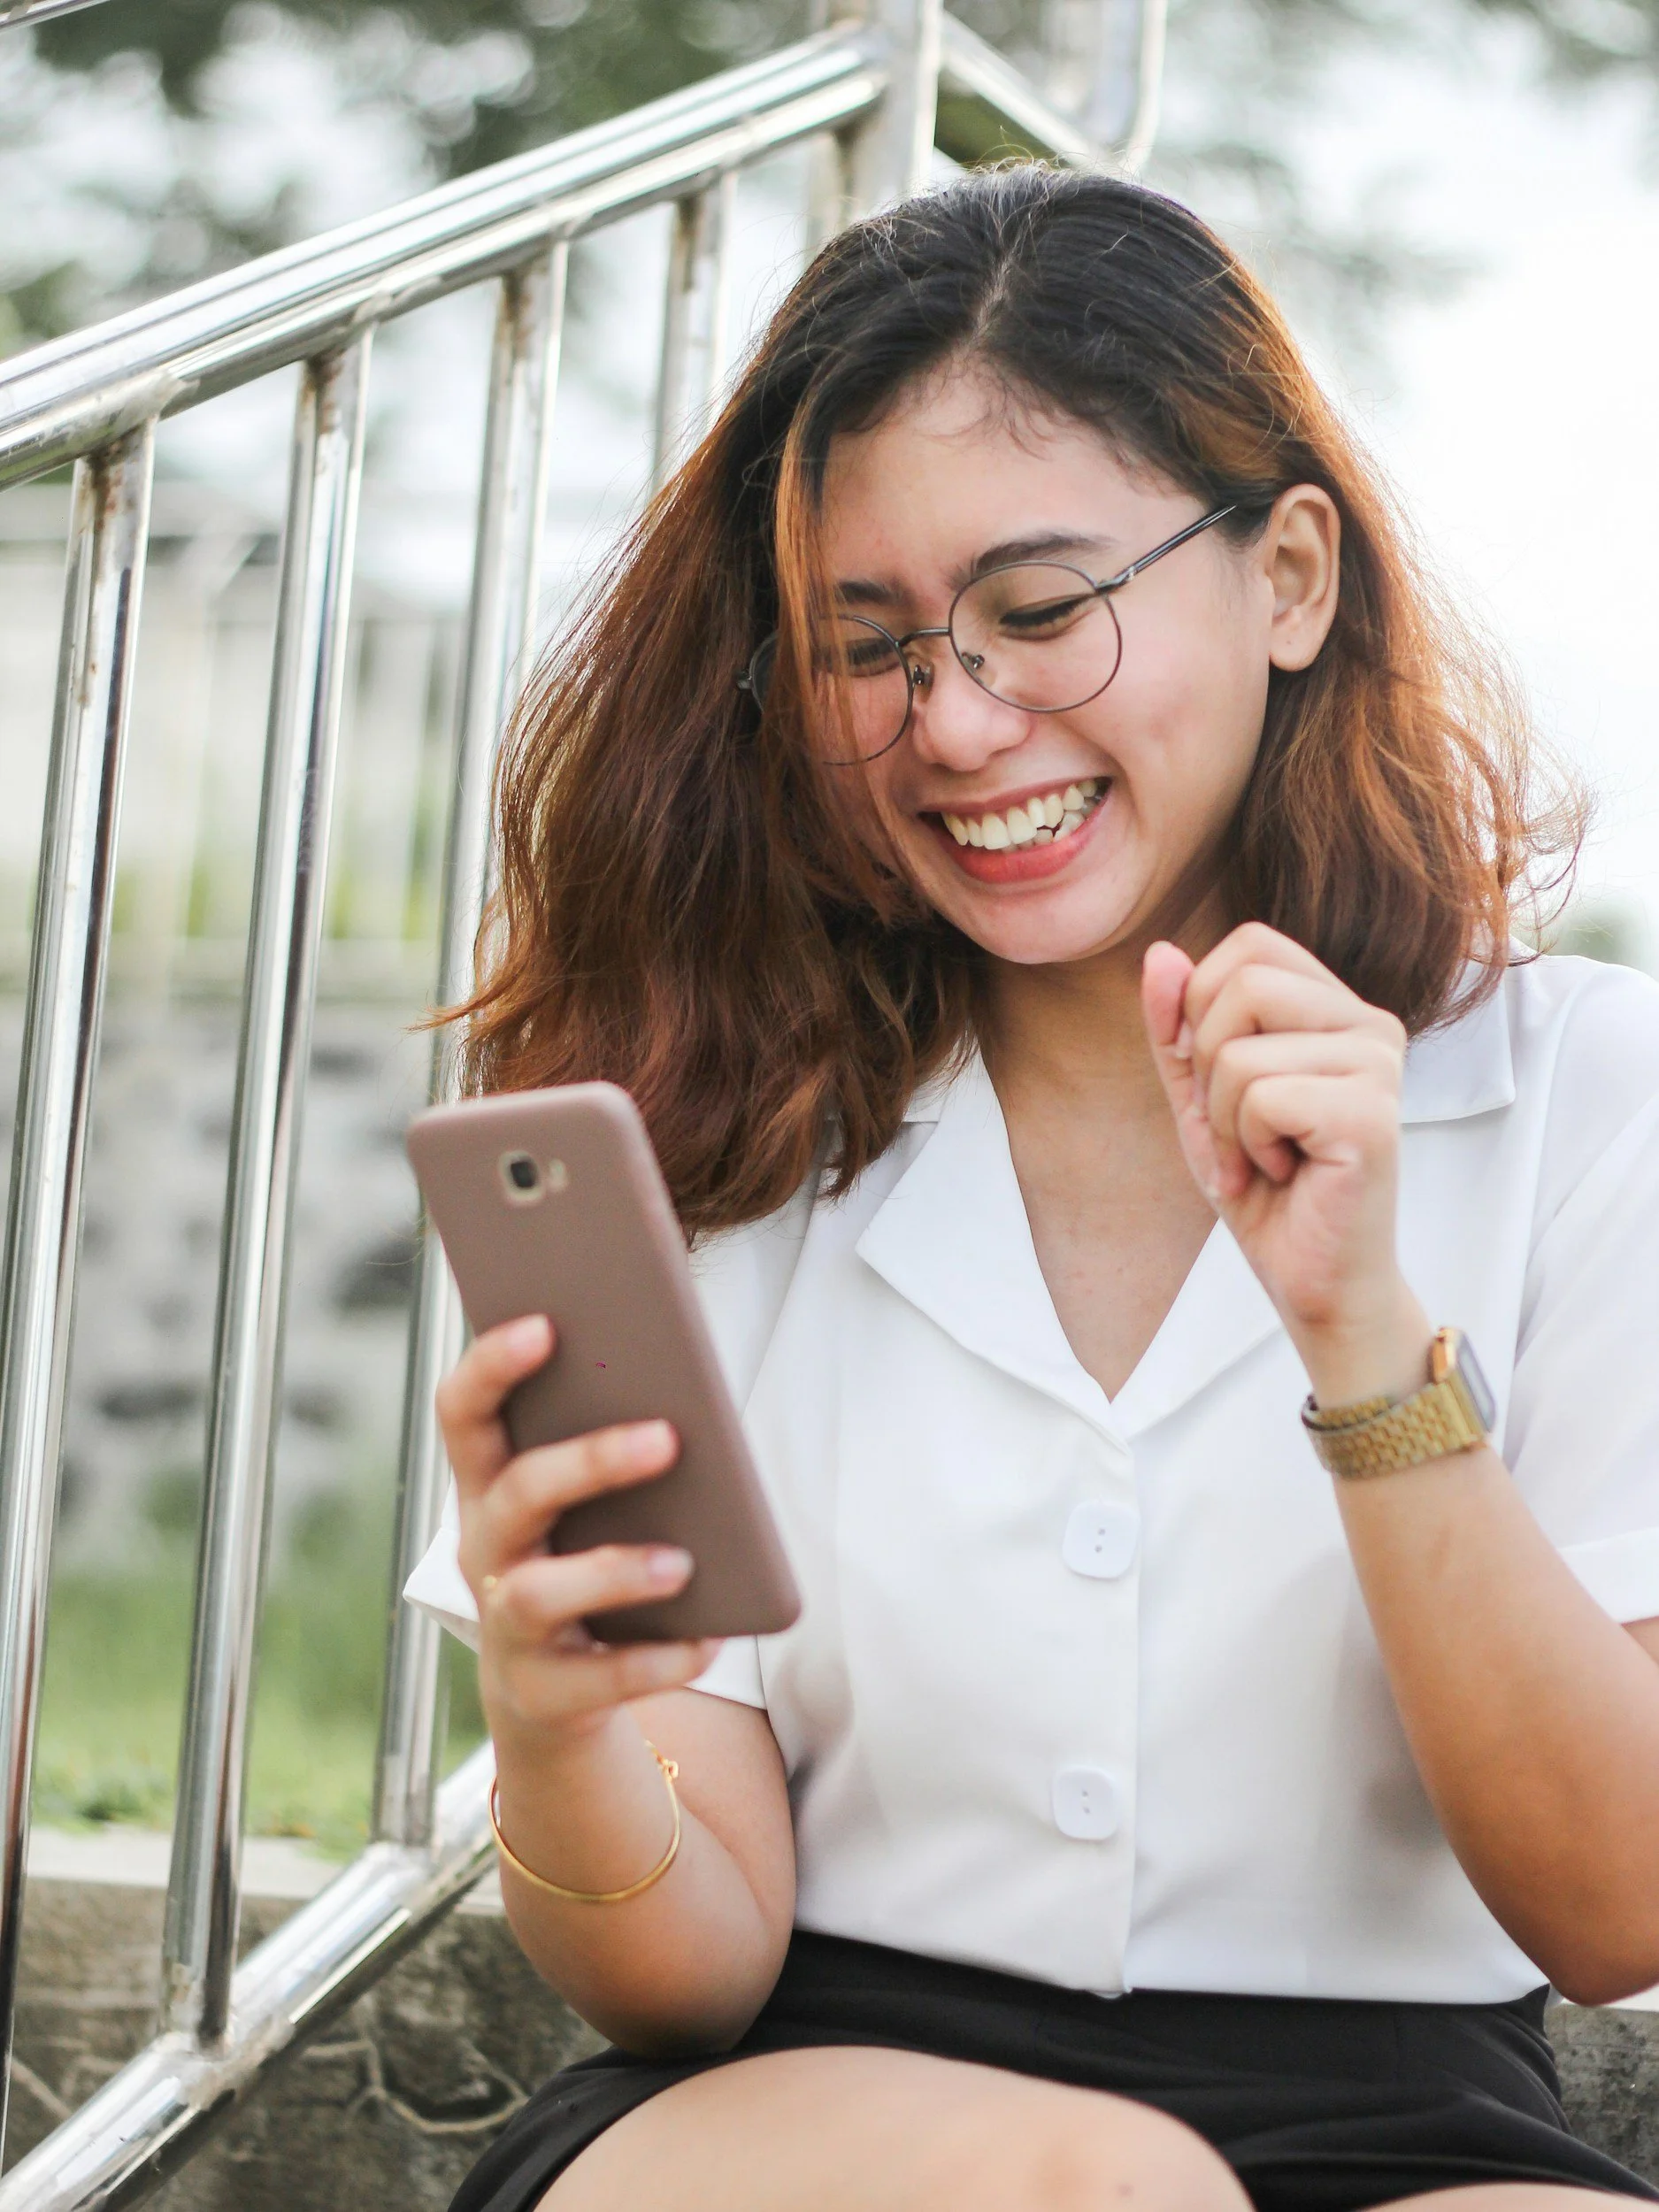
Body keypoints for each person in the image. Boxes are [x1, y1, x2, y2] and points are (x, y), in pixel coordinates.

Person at [405, 165, 1659, 2212]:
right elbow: (679, 1967)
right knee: (1102, 2189)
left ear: (1288, 576)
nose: (957, 725)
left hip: (1410, 2113)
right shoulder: (702, 1123)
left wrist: (1358, 1337)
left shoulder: (1587, 1093)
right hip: (802, 2107)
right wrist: (551, 1720)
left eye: (1039, 610)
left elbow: (1616, 1909)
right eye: (869, 644)